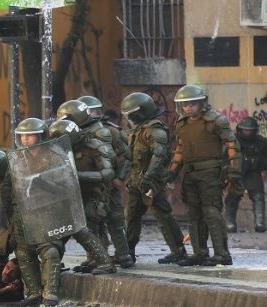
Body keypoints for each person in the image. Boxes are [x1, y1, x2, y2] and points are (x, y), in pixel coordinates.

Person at [10, 118, 115, 307]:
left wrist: (44, 182)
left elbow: (66, 183)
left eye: (30, 135)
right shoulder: (19, 157)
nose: (25, 139)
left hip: (54, 207)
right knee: (24, 250)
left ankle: (51, 293)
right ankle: (33, 292)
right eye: (23, 136)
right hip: (29, 210)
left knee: (54, 248)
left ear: (40, 136)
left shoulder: (54, 155)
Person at [166, 85, 241, 266]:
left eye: (192, 103)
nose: (188, 107)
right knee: (193, 214)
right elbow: (181, 148)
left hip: (211, 174)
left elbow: (232, 144)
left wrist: (234, 171)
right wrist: (172, 171)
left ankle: (222, 253)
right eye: (185, 104)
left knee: (211, 212)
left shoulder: (216, 121)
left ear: (201, 103)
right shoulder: (182, 123)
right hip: (191, 174)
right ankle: (199, 253)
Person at [58, 100, 133, 268]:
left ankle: (123, 255)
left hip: (104, 181)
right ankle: (97, 256)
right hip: (90, 181)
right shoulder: (77, 132)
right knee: (92, 220)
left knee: (112, 218)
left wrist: (118, 178)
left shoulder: (104, 131)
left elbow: (123, 155)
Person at [120, 92, 187, 264]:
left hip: (151, 181)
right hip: (136, 180)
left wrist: (149, 178)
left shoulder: (155, 129)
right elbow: (131, 157)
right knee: (132, 215)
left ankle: (178, 250)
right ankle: (128, 252)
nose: (129, 118)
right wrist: (124, 177)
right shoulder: (137, 130)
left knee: (162, 215)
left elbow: (159, 156)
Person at [225, 116, 267, 233]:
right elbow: (225, 157)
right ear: (240, 130)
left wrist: (260, 165)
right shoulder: (233, 142)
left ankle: (260, 222)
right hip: (237, 173)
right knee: (233, 197)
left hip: (253, 173)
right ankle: (230, 222)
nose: (248, 133)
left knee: (258, 197)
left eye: (250, 130)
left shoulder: (261, 142)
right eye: (245, 130)